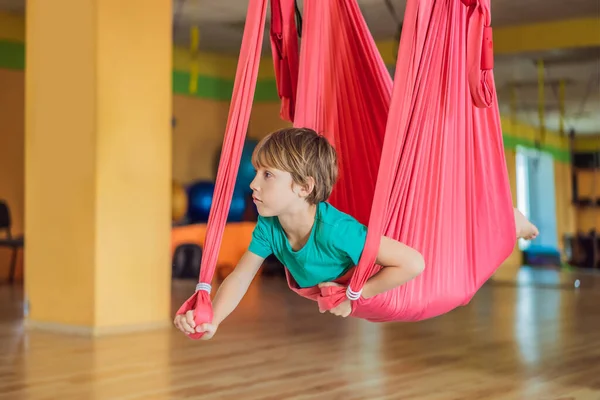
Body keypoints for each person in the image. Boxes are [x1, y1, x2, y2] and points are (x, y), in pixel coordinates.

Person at [173, 127, 539, 339]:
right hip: (365, 268)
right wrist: (215, 318)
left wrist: (355, 297)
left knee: (459, 252)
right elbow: (240, 276)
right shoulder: (269, 226)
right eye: (256, 173)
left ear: (304, 187)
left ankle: (509, 220)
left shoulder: (336, 231)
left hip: (392, 278)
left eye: (266, 175)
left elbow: (413, 263)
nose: (252, 184)